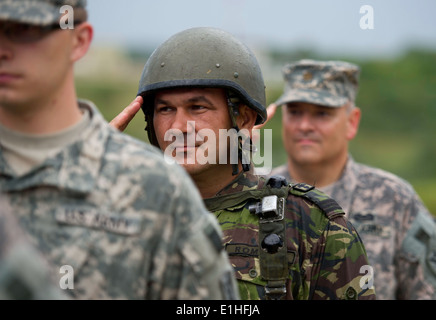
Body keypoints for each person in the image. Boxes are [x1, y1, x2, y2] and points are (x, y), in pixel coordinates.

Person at [112, 27, 376, 300]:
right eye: (165, 109)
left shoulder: (311, 224)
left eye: (197, 107)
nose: (178, 127)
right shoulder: (118, 213)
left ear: (245, 119)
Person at [0, 0, 238, 300]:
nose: (3, 49)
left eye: (24, 30)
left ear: (78, 39)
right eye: (166, 109)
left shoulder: (157, 190)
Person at [269, 59, 436, 299]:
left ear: (352, 122)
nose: (304, 125)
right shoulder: (260, 197)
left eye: (322, 114)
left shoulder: (395, 199)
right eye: (295, 112)